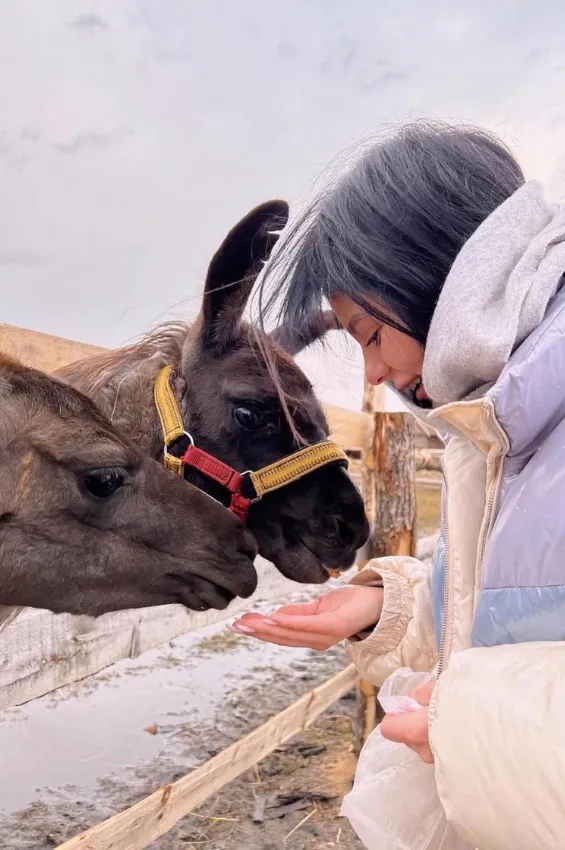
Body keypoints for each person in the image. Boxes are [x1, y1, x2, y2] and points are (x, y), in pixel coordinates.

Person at [229, 121, 565, 850]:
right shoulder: (502, 431)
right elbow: (509, 608)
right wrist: (381, 606)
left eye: (370, 336)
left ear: (445, 275)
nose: (374, 375)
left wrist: (467, 730)